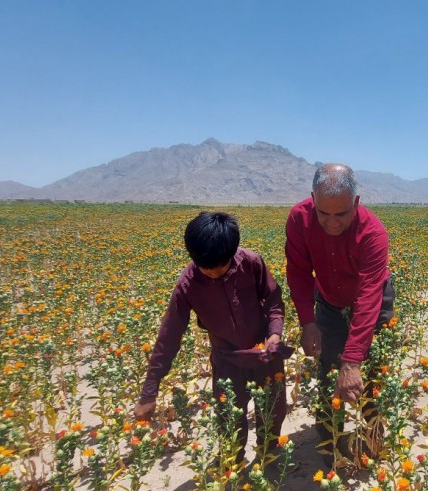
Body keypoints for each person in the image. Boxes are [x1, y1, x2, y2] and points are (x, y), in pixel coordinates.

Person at [134, 211, 290, 464]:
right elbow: (169, 335)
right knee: (229, 416)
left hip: (265, 354)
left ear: (232, 252)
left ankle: (269, 453)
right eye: (207, 270)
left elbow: (273, 300)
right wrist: (149, 392)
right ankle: (233, 460)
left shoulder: (251, 263)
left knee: (273, 409)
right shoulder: (187, 285)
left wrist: (274, 333)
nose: (214, 274)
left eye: (221, 268)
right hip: (228, 359)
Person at [285, 163, 395, 465]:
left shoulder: (374, 233)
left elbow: (369, 296)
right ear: (312, 199)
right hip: (330, 301)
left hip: (374, 300)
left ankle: (372, 438)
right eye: (324, 214)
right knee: (328, 368)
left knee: (370, 371)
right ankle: (330, 442)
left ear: (356, 203)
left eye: (342, 215)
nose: (332, 223)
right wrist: (308, 322)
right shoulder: (299, 219)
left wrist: (353, 360)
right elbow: (297, 272)